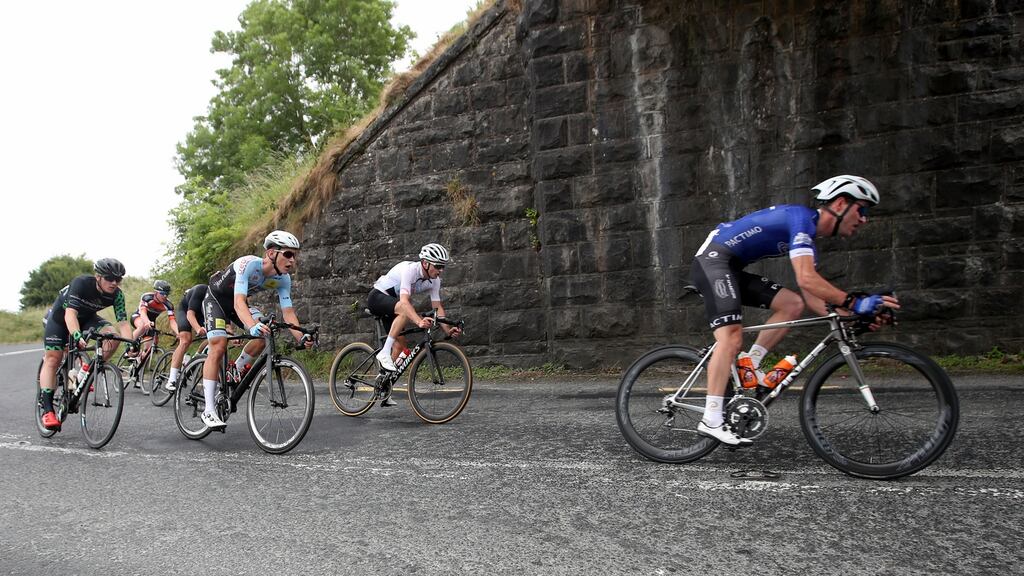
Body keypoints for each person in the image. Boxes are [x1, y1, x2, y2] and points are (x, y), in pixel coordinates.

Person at [689, 175, 900, 446]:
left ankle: (749, 365)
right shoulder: (800, 220)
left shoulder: (808, 236)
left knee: (792, 304)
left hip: (730, 267)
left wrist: (848, 315)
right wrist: (855, 303)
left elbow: (811, 297)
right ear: (839, 204)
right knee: (730, 337)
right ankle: (711, 419)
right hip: (713, 262)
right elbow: (806, 279)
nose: (864, 219)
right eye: (862, 209)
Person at [199, 230, 314, 430]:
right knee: (218, 346)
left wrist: (301, 336)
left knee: (264, 332)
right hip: (217, 300)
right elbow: (238, 302)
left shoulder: (283, 280)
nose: (292, 260)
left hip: (239, 303)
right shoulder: (249, 265)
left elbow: (288, 314)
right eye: (288, 254)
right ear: (271, 253)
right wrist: (251, 325)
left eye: (295, 255)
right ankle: (208, 409)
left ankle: (236, 368)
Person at [38, 258, 136, 431]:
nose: (114, 283)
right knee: (54, 359)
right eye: (109, 278)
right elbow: (70, 315)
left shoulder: (117, 294)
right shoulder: (81, 283)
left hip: (86, 319)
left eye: (118, 279)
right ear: (98, 276)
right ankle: (47, 410)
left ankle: (84, 373)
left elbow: (123, 324)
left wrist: (130, 344)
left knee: (112, 337)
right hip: (61, 319)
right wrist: (76, 334)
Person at [367, 243, 462, 406]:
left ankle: (383, 385)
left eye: (443, 267)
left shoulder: (435, 281)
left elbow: (437, 307)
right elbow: (404, 302)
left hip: (393, 305)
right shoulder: (409, 270)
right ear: (425, 263)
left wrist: (447, 328)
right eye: (438, 266)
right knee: (404, 310)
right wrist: (419, 321)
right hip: (378, 297)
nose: (440, 270)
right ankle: (383, 353)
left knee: (401, 347)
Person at [126, 280, 179, 392]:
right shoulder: (147, 297)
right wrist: (146, 322)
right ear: (156, 292)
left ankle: (137, 368)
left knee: (148, 349)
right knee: (142, 326)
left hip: (151, 322)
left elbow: (172, 321)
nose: (165, 296)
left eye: (166, 294)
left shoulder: (168, 305)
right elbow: (143, 312)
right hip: (139, 317)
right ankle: (129, 346)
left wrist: (178, 332)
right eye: (162, 294)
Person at [163, 283, 208, 392]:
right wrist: (198, 329)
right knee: (186, 340)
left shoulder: (221, 297)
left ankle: (195, 358)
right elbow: (190, 315)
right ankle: (172, 379)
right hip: (186, 311)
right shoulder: (201, 290)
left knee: (215, 337)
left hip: (202, 314)